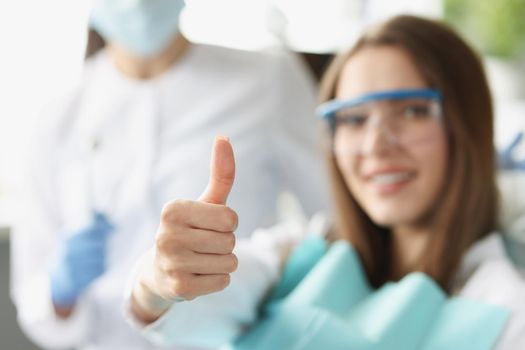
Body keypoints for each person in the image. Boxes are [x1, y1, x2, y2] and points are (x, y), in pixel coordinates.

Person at [125, 15, 525, 349]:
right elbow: (190, 303)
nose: (375, 146)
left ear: (469, 124)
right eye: (353, 119)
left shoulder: (504, 311)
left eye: (412, 111)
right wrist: (158, 278)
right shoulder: (301, 254)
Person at [10, 0, 329, 349]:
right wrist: (59, 291)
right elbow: (35, 304)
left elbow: (335, 216)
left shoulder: (267, 79)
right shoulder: (56, 119)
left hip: (232, 336)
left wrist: (275, 261)